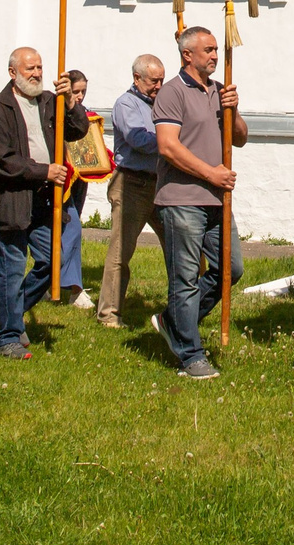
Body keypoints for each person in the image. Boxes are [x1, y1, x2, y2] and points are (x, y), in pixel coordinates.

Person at [151, 26, 249, 381]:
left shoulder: (220, 91)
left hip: (216, 201)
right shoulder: (172, 93)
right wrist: (211, 174)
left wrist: (233, 111)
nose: (214, 55)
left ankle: (174, 322)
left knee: (231, 270)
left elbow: (238, 139)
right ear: (187, 55)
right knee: (185, 278)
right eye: (207, 50)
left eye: (215, 50)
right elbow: (168, 146)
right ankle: (190, 354)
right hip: (182, 200)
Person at [0, 46, 85, 358]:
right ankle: (7, 337)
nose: (37, 74)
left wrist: (71, 101)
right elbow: (1, 160)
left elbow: (77, 130)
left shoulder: (49, 102)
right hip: (12, 200)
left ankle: (11, 311)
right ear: (13, 73)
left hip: (45, 199)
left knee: (54, 260)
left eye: (39, 67)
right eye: (30, 69)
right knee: (12, 267)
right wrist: (44, 171)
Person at [98, 55, 166, 328]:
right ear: (137, 79)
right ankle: (109, 314)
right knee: (120, 252)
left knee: (183, 248)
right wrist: (172, 141)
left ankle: (184, 311)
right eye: (153, 81)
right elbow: (138, 139)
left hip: (162, 184)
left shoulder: (162, 102)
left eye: (162, 79)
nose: (159, 85)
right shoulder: (126, 104)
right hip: (132, 185)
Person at [59, 69, 106, 310]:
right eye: (75, 92)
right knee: (72, 228)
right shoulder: (57, 113)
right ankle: (74, 289)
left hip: (80, 178)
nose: (79, 97)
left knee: (67, 229)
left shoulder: (85, 115)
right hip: (61, 180)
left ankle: (52, 284)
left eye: (83, 92)